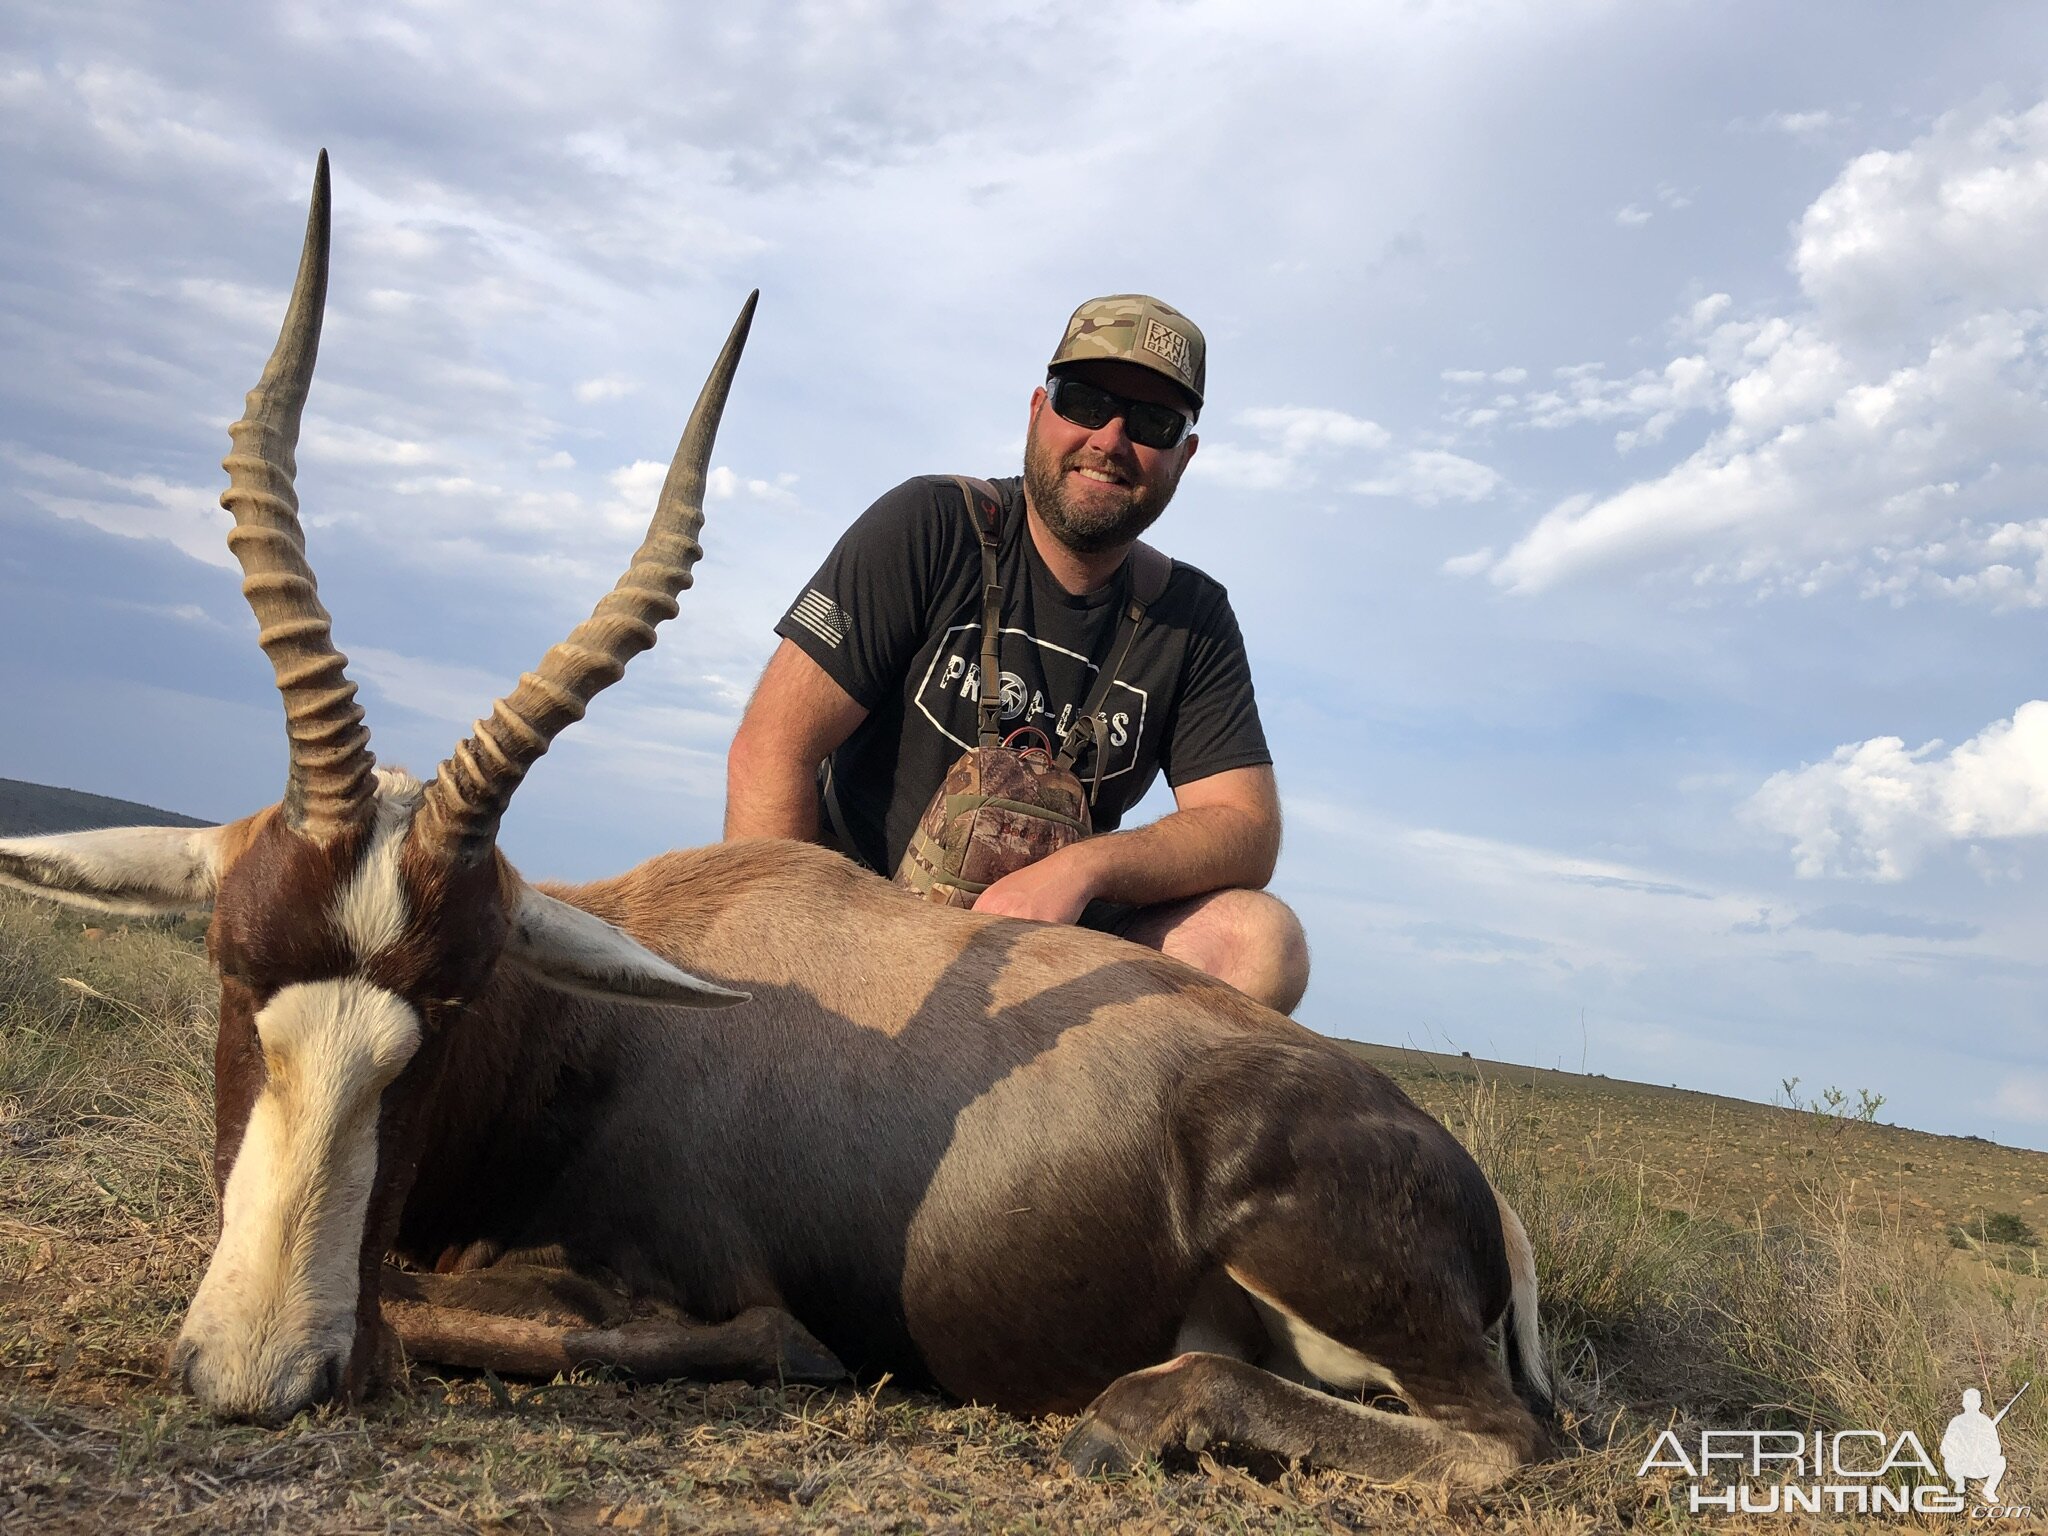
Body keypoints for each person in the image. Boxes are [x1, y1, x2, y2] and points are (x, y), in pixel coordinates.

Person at [724, 295, 1309, 1013]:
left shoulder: (1192, 617)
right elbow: (771, 750)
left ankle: (1093, 1123)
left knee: (1260, 941)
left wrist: (1084, 869)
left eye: (1154, 423)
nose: (1110, 439)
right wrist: (789, 980)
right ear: (1038, 409)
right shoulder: (930, 526)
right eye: (1085, 401)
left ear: (1184, 457)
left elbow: (1245, 828)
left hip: (1049, 965)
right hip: (869, 940)